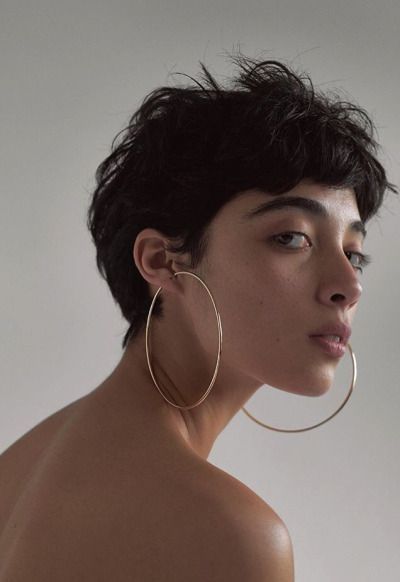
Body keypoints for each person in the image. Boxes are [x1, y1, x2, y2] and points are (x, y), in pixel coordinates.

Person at [0, 53, 396, 581]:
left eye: (354, 252)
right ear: (162, 261)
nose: (349, 286)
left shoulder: (21, 467)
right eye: (291, 238)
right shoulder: (228, 534)